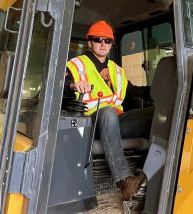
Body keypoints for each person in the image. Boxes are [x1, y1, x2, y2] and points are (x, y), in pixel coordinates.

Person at [64, 20, 153, 201]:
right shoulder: (77, 65)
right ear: (90, 42)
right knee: (108, 112)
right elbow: (60, 86)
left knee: (155, 113)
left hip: (117, 121)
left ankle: (153, 172)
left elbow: (134, 91)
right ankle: (124, 180)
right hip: (92, 121)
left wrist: (166, 86)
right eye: (98, 40)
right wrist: (73, 84)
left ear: (111, 44)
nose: (103, 44)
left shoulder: (116, 70)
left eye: (107, 40)